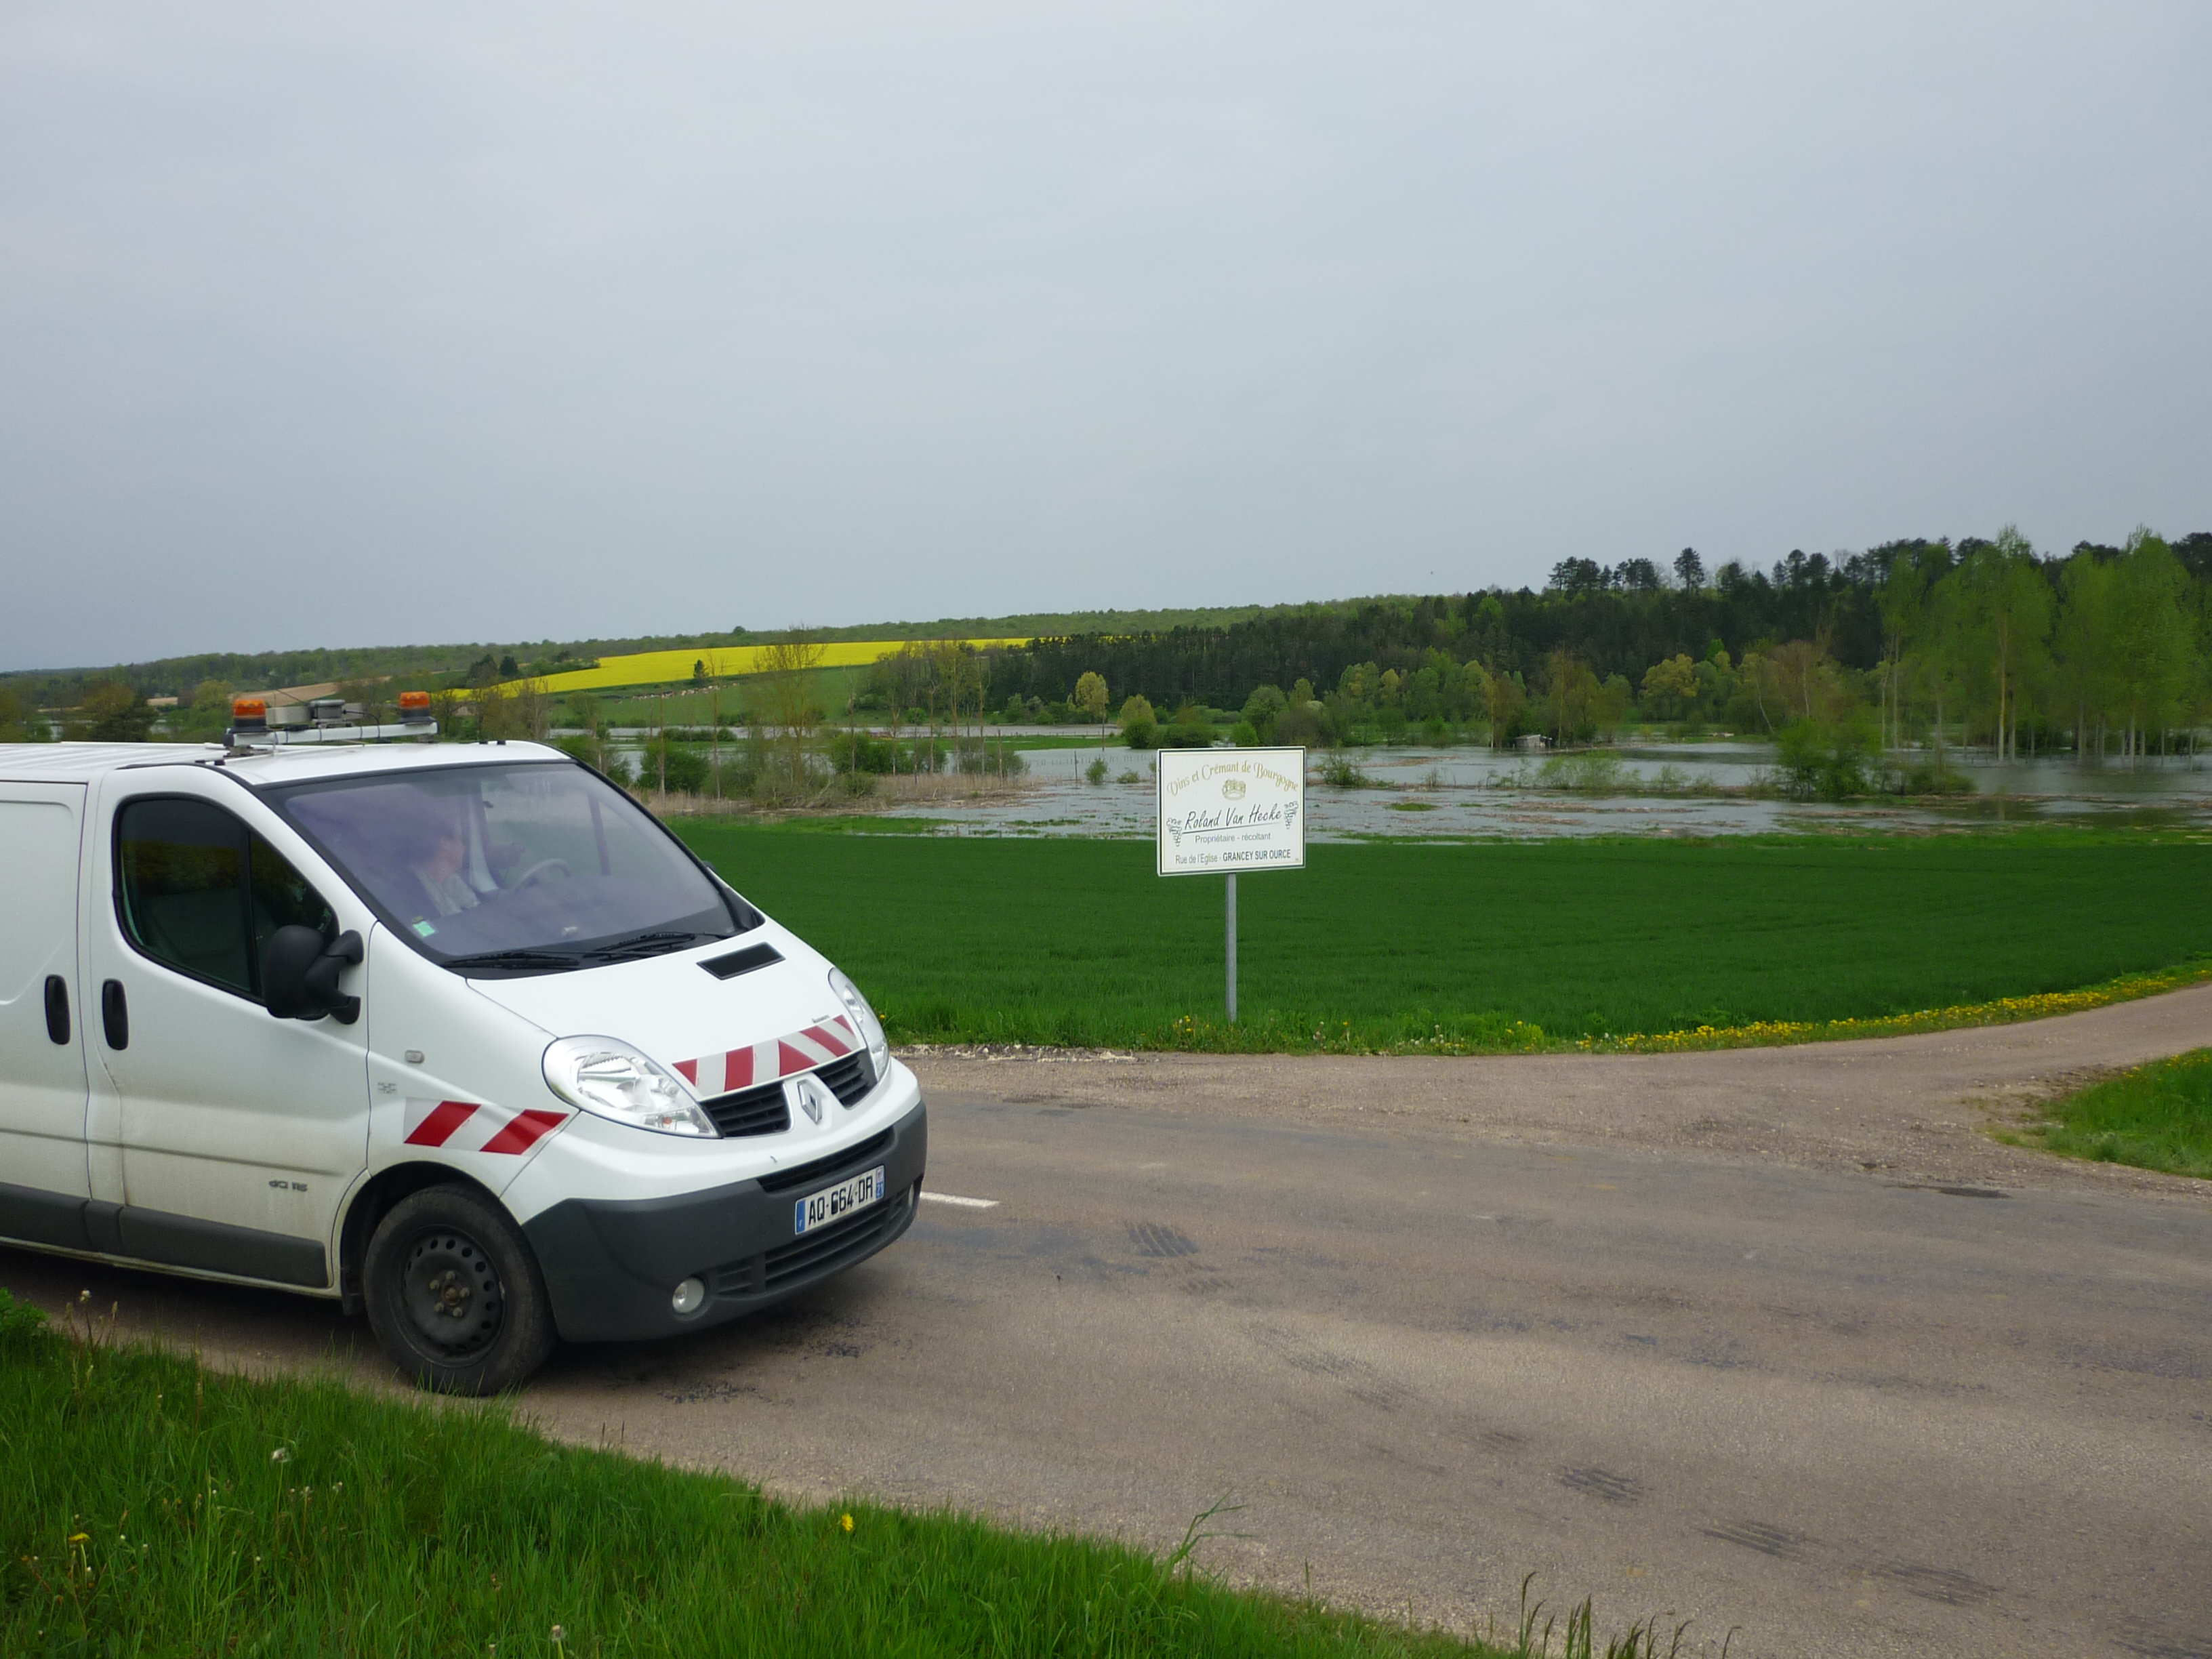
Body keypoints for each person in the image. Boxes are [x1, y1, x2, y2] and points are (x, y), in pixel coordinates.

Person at [409, 816, 481, 918]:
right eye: (461, 841)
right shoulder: (410, 897)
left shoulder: (458, 888)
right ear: (445, 844)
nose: (464, 848)